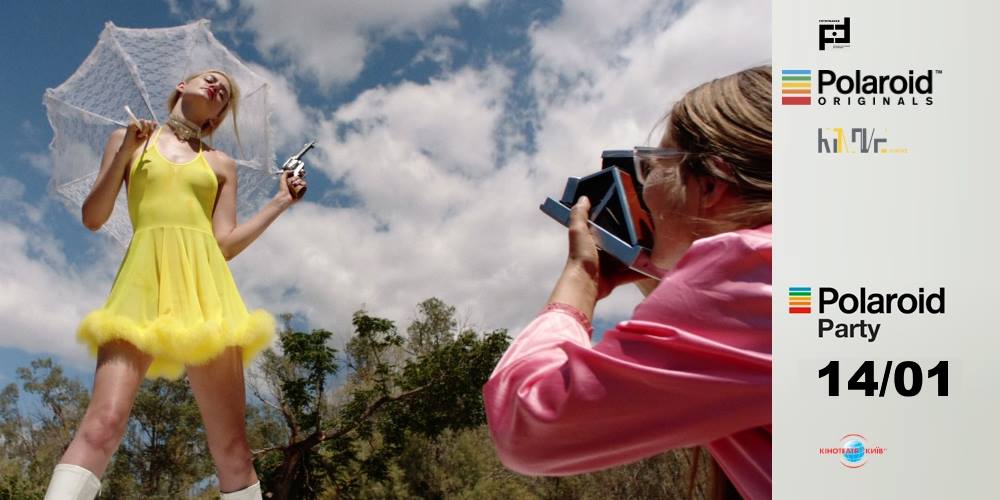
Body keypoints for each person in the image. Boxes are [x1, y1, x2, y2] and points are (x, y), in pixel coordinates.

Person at [483, 66, 772, 499]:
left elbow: (527, 424)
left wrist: (581, 279)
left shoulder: (742, 267)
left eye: (653, 166)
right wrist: (657, 273)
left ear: (710, 182)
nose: (645, 187)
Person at [43, 69, 306, 500]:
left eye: (225, 92)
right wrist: (126, 148)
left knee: (232, 449)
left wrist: (280, 201)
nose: (218, 86)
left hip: (207, 291)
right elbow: (93, 217)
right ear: (181, 86)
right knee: (102, 424)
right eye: (210, 78)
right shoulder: (128, 139)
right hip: (142, 284)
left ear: (219, 113)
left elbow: (224, 244)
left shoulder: (220, 163)